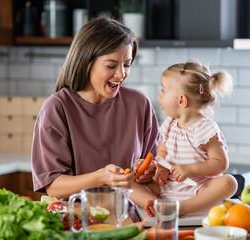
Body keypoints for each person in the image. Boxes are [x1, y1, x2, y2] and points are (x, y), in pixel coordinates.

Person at [31, 16, 160, 199]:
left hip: (132, 221)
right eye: (111, 65)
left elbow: (156, 163)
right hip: (80, 222)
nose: (121, 74)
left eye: (127, 65)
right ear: (86, 62)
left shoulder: (139, 104)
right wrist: (100, 178)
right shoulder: (57, 108)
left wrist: (150, 170)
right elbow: (53, 185)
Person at [129, 60, 238, 216]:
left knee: (229, 183)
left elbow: (220, 163)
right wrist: (160, 167)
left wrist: (191, 169)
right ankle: (160, 205)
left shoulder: (205, 128)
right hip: (168, 186)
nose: (160, 94)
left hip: (199, 187)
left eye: (163, 90)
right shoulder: (170, 123)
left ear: (181, 100)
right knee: (127, 182)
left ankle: (182, 208)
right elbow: (163, 151)